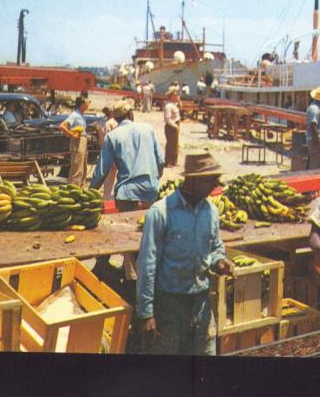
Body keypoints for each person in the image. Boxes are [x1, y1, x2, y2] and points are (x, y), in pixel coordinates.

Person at [136, 152, 233, 355]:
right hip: (170, 304)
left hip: (202, 302)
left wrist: (220, 261)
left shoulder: (211, 211)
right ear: (193, 180)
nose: (217, 184)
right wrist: (146, 313)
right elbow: (147, 264)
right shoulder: (160, 212)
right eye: (211, 179)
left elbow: (215, 247)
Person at [90, 99, 165, 291]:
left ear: (115, 118)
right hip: (150, 192)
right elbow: (160, 161)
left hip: (126, 195)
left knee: (129, 239)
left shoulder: (112, 136)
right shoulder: (148, 129)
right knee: (148, 237)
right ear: (131, 114)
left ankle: (136, 282)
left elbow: (101, 171)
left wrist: (90, 193)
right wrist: (153, 180)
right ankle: (146, 280)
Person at [59, 96, 90, 186]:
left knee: (83, 166)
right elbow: (62, 126)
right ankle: (74, 187)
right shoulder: (74, 115)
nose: (88, 105)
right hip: (78, 142)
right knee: (77, 166)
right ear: (82, 105)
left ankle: (81, 186)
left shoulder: (81, 115)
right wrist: (71, 134)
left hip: (83, 141)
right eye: (87, 103)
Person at [96, 105, 119, 201]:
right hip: (112, 150)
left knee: (107, 173)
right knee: (112, 173)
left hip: (103, 148)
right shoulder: (112, 123)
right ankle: (109, 195)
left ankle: (107, 194)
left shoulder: (101, 122)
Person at [163, 87, 181, 167]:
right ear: (171, 96)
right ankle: (168, 162)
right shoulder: (168, 105)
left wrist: (179, 100)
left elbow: (181, 106)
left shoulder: (174, 104)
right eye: (175, 95)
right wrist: (175, 126)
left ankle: (174, 161)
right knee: (170, 144)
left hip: (176, 124)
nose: (177, 96)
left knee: (175, 144)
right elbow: (167, 119)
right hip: (171, 126)